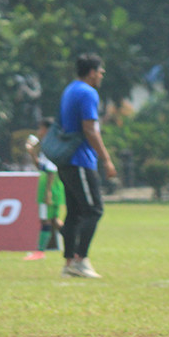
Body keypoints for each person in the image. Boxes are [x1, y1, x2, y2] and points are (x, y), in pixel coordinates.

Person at [58, 53, 117, 279]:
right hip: (80, 160)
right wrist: (106, 159)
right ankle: (80, 259)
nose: (102, 76)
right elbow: (90, 129)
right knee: (93, 209)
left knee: (74, 212)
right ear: (92, 72)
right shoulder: (87, 92)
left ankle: (68, 263)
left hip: (66, 160)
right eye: (100, 71)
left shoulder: (70, 89)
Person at [24, 118, 65, 261]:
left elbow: (51, 170)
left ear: (47, 129)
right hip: (51, 187)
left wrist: (48, 191)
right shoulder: (49, 145)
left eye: (40, 128)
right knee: (54, 220)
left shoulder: (50, 145)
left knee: (45, 220)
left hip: (49, 187)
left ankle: (40, 252)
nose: (38, 132)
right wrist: (31, 152)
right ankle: (75, 245)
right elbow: (41, 166)